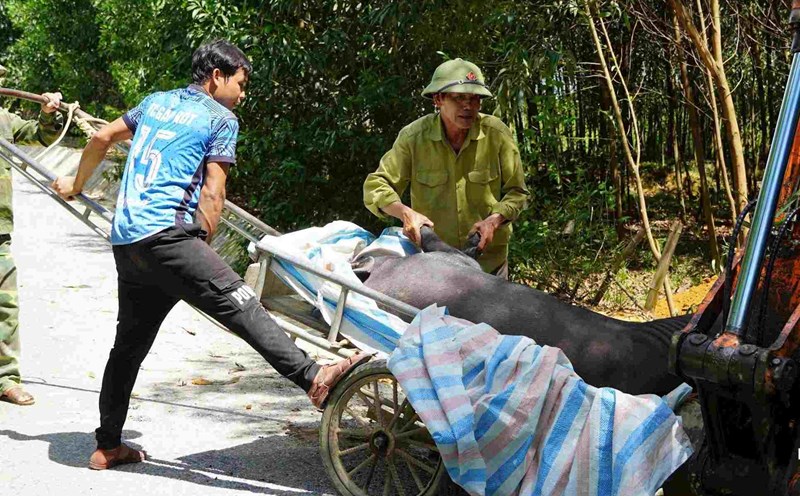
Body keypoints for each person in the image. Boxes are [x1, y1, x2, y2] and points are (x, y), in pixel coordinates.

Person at [52, 40, 369, 470]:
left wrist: (75, 184)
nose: (243, 93)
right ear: (217, 76)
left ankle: (108, 445)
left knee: (128, 345)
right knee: (241, 303)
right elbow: (214, 192)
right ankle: (314, 378)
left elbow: (103, 137)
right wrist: (202, 247)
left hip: (127, 243)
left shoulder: (156, 102)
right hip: (168, 238)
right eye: (241, 82)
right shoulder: (221, 118)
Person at [363, 58, 530, 278]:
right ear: (438, 99)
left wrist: (494, 220)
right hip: (433, 265)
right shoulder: (413, 138)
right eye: (459, 98)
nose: (468, 106)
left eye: (474, 98)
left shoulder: (496, 135)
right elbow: (376, 186)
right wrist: (405, 213)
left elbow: (518, 193)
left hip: (488, 266)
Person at [0, 62, 63, 406]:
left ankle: (6, 378)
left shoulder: (5, 119)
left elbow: (41, 136)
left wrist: (48, 113)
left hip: (0, 231)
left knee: (5, 306)